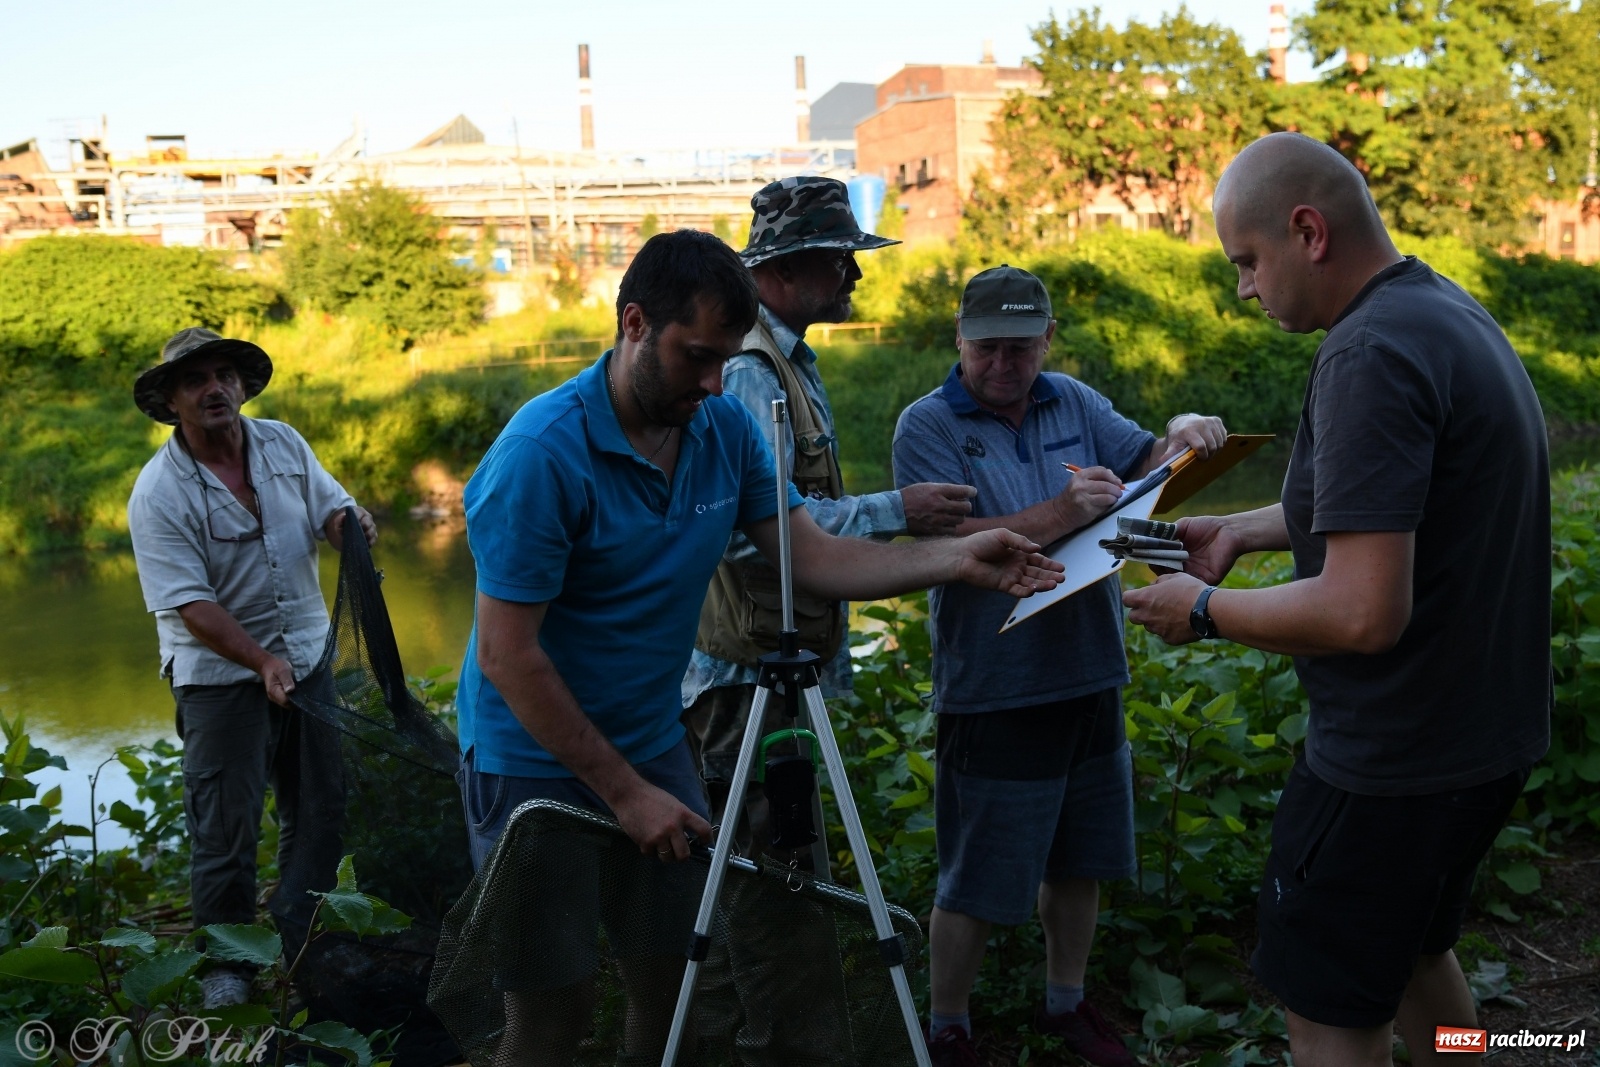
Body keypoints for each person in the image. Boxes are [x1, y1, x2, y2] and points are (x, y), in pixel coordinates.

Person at [453, 229, 1062, 1062]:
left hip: (652, 739)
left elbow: (812, 557)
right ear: (633, 323)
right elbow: (508, 655)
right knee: (553, 1007)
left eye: (726, 358)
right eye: (696, 356)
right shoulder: (539, 455)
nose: (714, 382)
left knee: (672, 990)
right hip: (529, 758)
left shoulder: (723, 432)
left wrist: (960, 556)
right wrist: (627, 796)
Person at [1123, 132, 1551, 1067]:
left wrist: (1201, 609)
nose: (1243, 287)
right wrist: (1238, 529)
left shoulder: (1368, 354)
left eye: (1247, 260)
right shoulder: (1442, 312)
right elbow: (1389, 507)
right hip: (1482, 739)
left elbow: (1362, 611)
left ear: (1307, 231)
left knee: (1325, 1015)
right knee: (1411, 958)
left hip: (1390, 764)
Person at [892, 265, 1226, 1067]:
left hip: (1090, 670)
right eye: (988, 348)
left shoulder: (1073, 400)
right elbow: (946, 546)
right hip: (995, 684)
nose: (1005, 365)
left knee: (1084, 857)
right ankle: (948, 1026)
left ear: (1048, 339)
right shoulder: (926, 425)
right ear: (960, 340)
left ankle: (1066, 1004)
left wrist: (1183, 434)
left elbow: (1150, 469)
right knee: (974, 873)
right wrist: (1064, 512)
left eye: (1022, 347)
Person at [683, 174, 976, 862]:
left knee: (775, 881)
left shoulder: (785, 357)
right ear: (784, 268)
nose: (855, 271)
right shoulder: (754, 369)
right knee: (770, 891)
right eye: (838, 257)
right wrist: (898, 510)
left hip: (774, 672)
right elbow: (759, 535)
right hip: (748, 685)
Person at [127, 327, 378, 1009]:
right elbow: (189, 606)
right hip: (218, 682)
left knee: (321, 807)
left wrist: (348, 527)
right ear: (173, 400)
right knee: (225, 829)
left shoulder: (284, 444)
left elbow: (330, 507)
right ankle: (227, 965)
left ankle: (307, 937)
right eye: (195, 380)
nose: (214, 388)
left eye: (224, 375)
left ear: (241, 385)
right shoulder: (157, 493)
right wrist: (262, 661)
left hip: (308, 657)